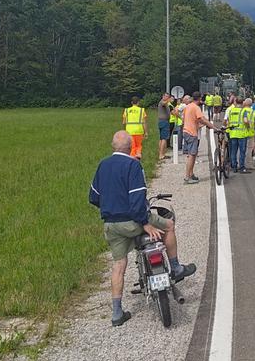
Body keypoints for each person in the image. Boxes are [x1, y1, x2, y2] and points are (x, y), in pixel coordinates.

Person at [89, 131, 197, 326]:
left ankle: (116, 313)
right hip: (134, 221)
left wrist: (111, 209)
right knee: (169, 225)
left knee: (119, 265)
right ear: (131, 147)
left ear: (113, 146)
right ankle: (175, 267)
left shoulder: (103, 165)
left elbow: (94, 197)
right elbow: (137, 198)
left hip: (112, 225)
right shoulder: (133, 165)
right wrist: (145, 223)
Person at [182, 94, 214, 184]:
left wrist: (199, 125)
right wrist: (212, 126)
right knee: (191, 156)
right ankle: (187, 177)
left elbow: (186, 119)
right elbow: (202, 119)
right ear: (199, 99)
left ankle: (191, 174)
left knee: (192, 154)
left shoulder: (187, 107)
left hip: (186, 131)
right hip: (192, 133)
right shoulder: (196, 108)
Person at [157, 93, 173, 162]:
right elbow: (163, 103)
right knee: (164, 138)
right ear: (163, 96)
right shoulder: (162, 102)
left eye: (168, 97)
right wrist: (168, 100)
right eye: (166, 96)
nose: (167, 98)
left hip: (163, 121)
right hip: (164, 122)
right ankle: (161, 155)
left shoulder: (165, 103)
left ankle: (161, 153)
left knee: (161, 138)